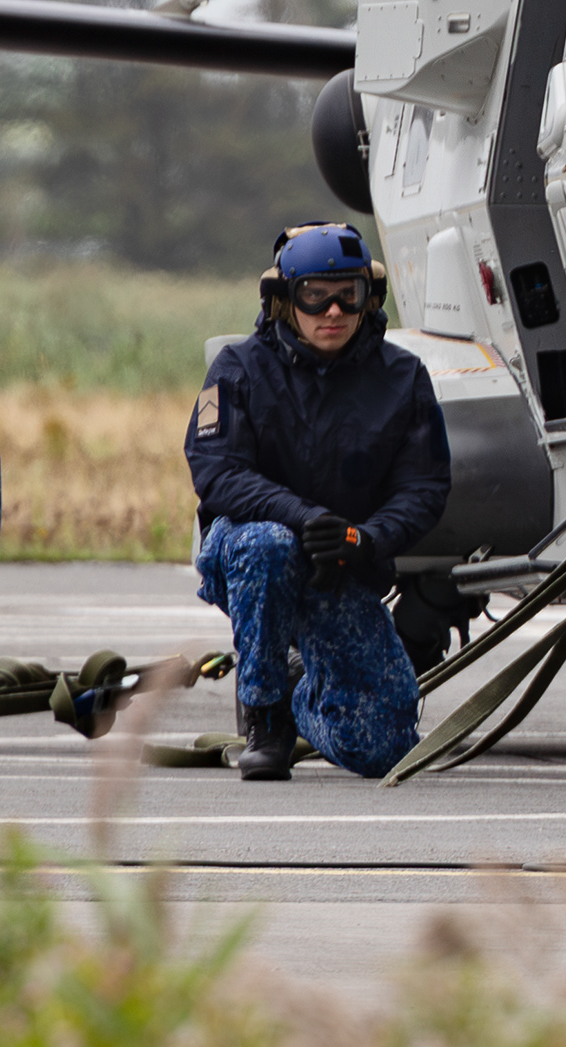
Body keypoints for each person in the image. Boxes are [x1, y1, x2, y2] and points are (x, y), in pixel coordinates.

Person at [187, 222, 453, 781]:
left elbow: (424, 488)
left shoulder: (403, 378)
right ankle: (265, 713)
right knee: (269, 543)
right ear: (285, 301)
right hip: (250, 559)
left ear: (367, 297)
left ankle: (305, 698)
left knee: (381, 747)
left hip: (343, 568)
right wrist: (306, 517)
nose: (333, 311)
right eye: (315, 295)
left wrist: (364, 539)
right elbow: (219, 473)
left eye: (347, 295)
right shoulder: (238, 370)